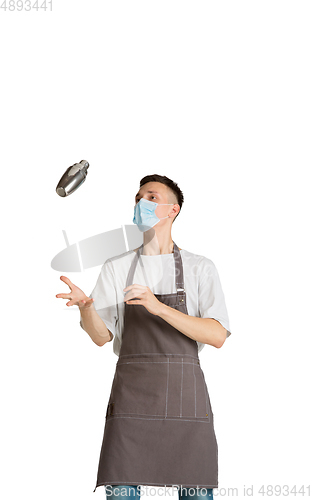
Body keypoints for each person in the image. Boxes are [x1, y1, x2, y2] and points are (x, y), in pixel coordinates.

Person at [56, 174, 232, 499]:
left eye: (151, 197)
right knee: (121, 488)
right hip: (132, 401)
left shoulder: (199, 267)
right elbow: (100, 337)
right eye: (138, 198)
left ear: (172, 210)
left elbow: (217, 334)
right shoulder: (117, 267)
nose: (141, 203)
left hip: (185, 401)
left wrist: (159, 307)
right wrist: (85, 308)